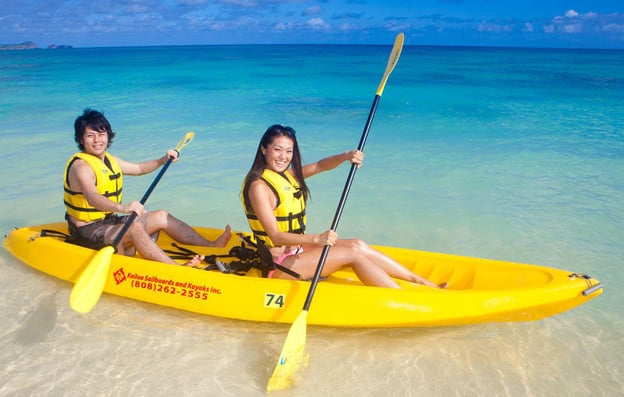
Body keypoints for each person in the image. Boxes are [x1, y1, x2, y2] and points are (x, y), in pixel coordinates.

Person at [241, 124, 447, 289]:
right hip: (278, 265)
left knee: (357, 244)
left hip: (296, 251)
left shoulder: (287, 175)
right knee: (353, 254)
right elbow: (275, 236)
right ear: (264, 149)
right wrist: (317, 239)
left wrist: (346, 156)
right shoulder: (259, 187)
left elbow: (321, 165)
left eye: (289, 151)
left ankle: (420, 281)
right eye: (277, 149)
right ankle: (403, 298)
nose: (283, 156)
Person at [64, 108, 231, 267]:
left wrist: (162, 160)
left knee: (161, 216)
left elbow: (139, 169)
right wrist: (123, 207)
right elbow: (93, 197)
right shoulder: (81, 167)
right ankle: (176, 269)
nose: (97, 140)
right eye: (90, 136)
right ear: (81, 139)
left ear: (108, 135)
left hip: (109, 222)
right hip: (87, 230)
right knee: (135, 227)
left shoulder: (109, 160)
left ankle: (212, 245)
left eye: (101, 134)